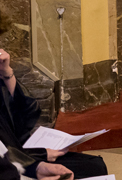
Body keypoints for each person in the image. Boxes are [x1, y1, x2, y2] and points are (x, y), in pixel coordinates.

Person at [0, 49, 104, 179]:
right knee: (89, 169)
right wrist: (39, 155)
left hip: (17, 153)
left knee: (94, 166)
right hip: (14, 161)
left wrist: (6, 73)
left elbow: (20, 114)